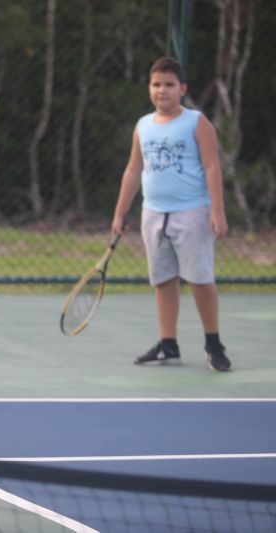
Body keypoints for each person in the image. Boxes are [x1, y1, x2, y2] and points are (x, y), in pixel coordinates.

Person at [111, 56, 231, 372]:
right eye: (156, 84)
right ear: (149, 88)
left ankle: (213, 343)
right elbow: (133, 170)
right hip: (154, 214)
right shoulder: (143, 125)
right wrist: (120, 212)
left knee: (200, 280)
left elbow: (211, 166)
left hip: (192, 213)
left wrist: (216, 210)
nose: (162, 91)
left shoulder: (197, 122)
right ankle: (168, 345)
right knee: (164, 280)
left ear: (182, 88)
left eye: (169, 85)